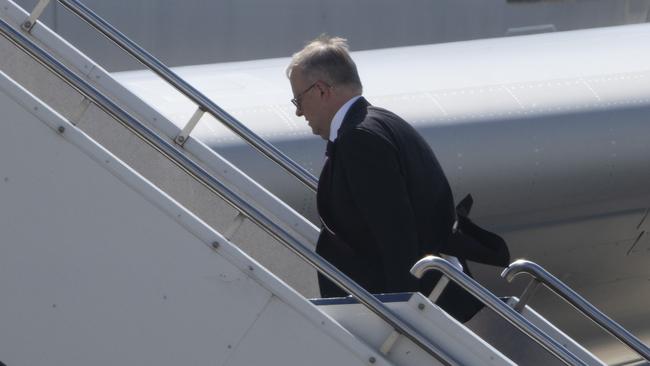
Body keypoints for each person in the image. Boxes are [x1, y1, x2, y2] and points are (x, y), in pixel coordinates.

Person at [286, 35, 507, 322]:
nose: (298, 111)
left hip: (418, 313)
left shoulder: (359, 139)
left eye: (299, 99)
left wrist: (399, 315)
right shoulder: (382, 122)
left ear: (321, 91)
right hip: (432, 297)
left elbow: (395, 235)